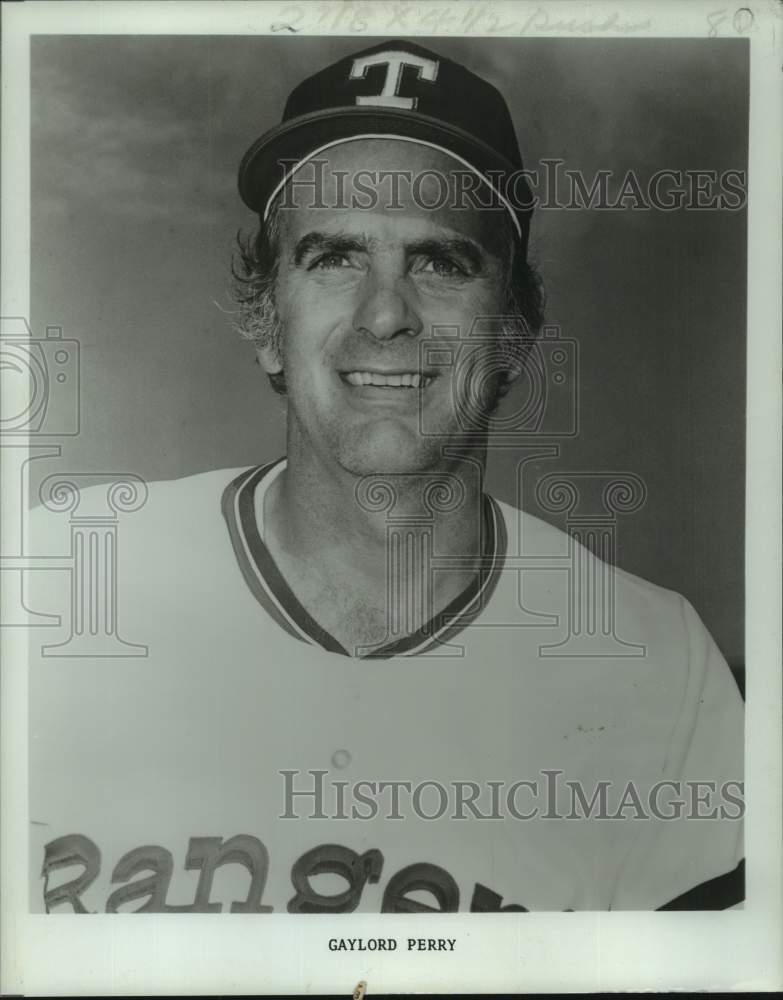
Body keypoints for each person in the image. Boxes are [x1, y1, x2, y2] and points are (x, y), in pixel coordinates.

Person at [28, 39, 743, 914]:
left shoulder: (654, 662)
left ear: (513, 332)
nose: (385, 314)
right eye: (334, 257)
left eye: (440, 263)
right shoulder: (59, 577)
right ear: (266, 320)